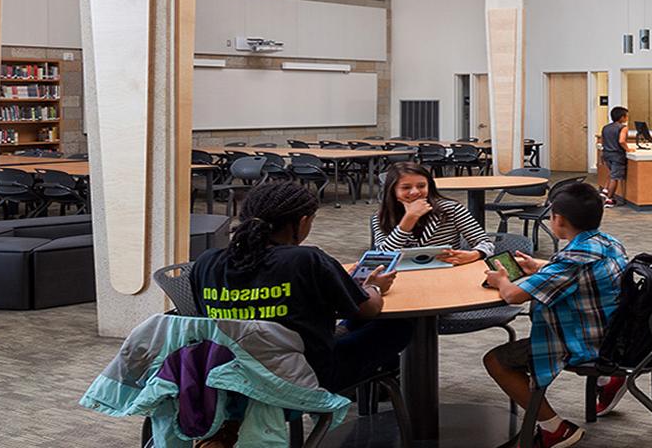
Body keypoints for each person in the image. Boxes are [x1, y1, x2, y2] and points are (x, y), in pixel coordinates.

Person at [187, 180, 411, 395]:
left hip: (231, 376)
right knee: (400, 324)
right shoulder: (305, 260)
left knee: (351, 323)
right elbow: (368, 309)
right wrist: (373, 286)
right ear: (303, 222)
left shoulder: (207, 262)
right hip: (306, 376)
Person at [482, 179, 629, 448]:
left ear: (558, 220)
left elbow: (513, 295)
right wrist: (540, 266)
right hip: (615, 331)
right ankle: (609, 380)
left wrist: (501, 280)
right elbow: (576, 272)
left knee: (496, 361)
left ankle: (554, 428)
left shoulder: (571, 261)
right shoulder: (608, 242)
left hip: (587, 340)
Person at [371, 162, 496, 261]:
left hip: (447, 272)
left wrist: (475, 254)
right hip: (401, 277)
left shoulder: (451, 209)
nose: (415, 192)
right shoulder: (381, 217)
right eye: (406, 187)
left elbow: (486, 243)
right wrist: (408, 220)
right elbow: (381, 257)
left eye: (421, 186)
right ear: (392, 190)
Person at [597, 106, 629, 207]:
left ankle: (605, 191)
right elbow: (621, 141)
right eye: (626, 116)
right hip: (617, 156)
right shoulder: (623, 128)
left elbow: (602, 141)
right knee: (615, 177)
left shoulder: (605, 127)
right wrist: (628, 149)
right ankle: (610, 199)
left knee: (611, 173)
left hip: (607, 154)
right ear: (622, 117)